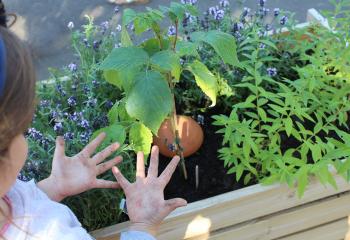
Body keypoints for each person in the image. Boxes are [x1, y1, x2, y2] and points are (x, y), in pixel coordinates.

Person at [0, 2, 186, 239]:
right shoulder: (53, 233)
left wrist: (52, 187)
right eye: (22, 130)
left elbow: (14, 201)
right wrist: (143, 226)